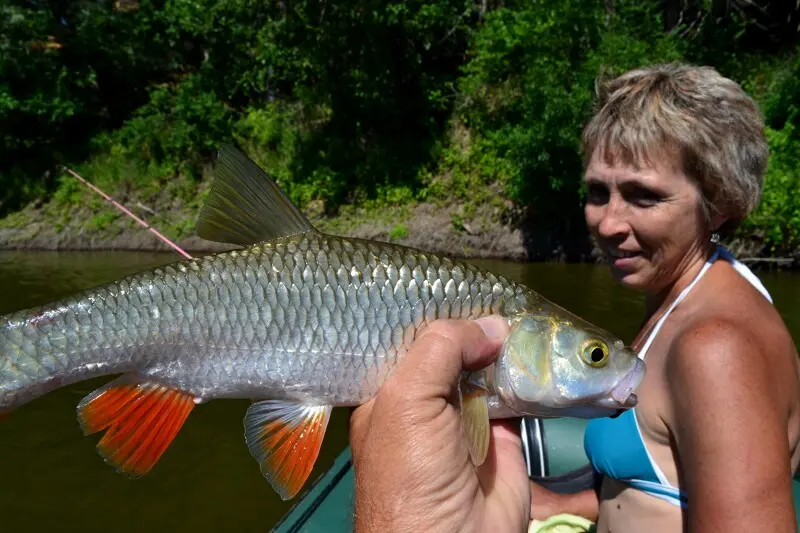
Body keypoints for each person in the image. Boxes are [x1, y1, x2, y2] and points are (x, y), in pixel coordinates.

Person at [348, 62, 800, 533]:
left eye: (643, 196)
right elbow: (671, 483)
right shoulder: (689, 293)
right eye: (597, 191)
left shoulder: (716, 349)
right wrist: (560, 503)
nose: (608, 222)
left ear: (720, 204)